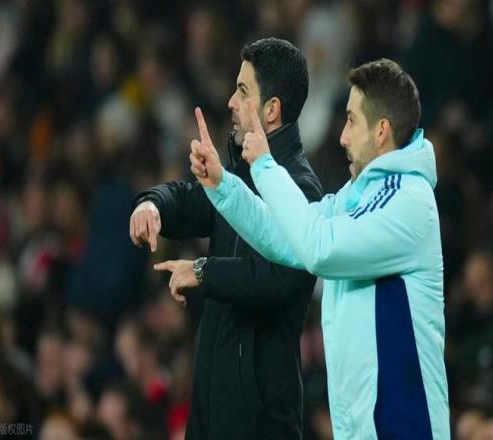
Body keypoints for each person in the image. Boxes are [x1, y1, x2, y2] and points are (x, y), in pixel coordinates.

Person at [191, 59, 450, 439]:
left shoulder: (407, 201)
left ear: (381, 131)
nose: (342, 137)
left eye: (352, 121)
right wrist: (223, 186)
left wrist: (265, 165)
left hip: (404, 429)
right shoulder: (359, 193)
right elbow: (289, 239)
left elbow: (319, 248)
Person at [129, 37, 323, 439]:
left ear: (271, 109)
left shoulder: (302, 190)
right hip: (210, 407)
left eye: (243, 91)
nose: (231, 102)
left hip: (260, 420)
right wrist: (152, 205)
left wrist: (203, 271)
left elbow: (278, 280)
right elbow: (189, 199)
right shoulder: (237, 176)